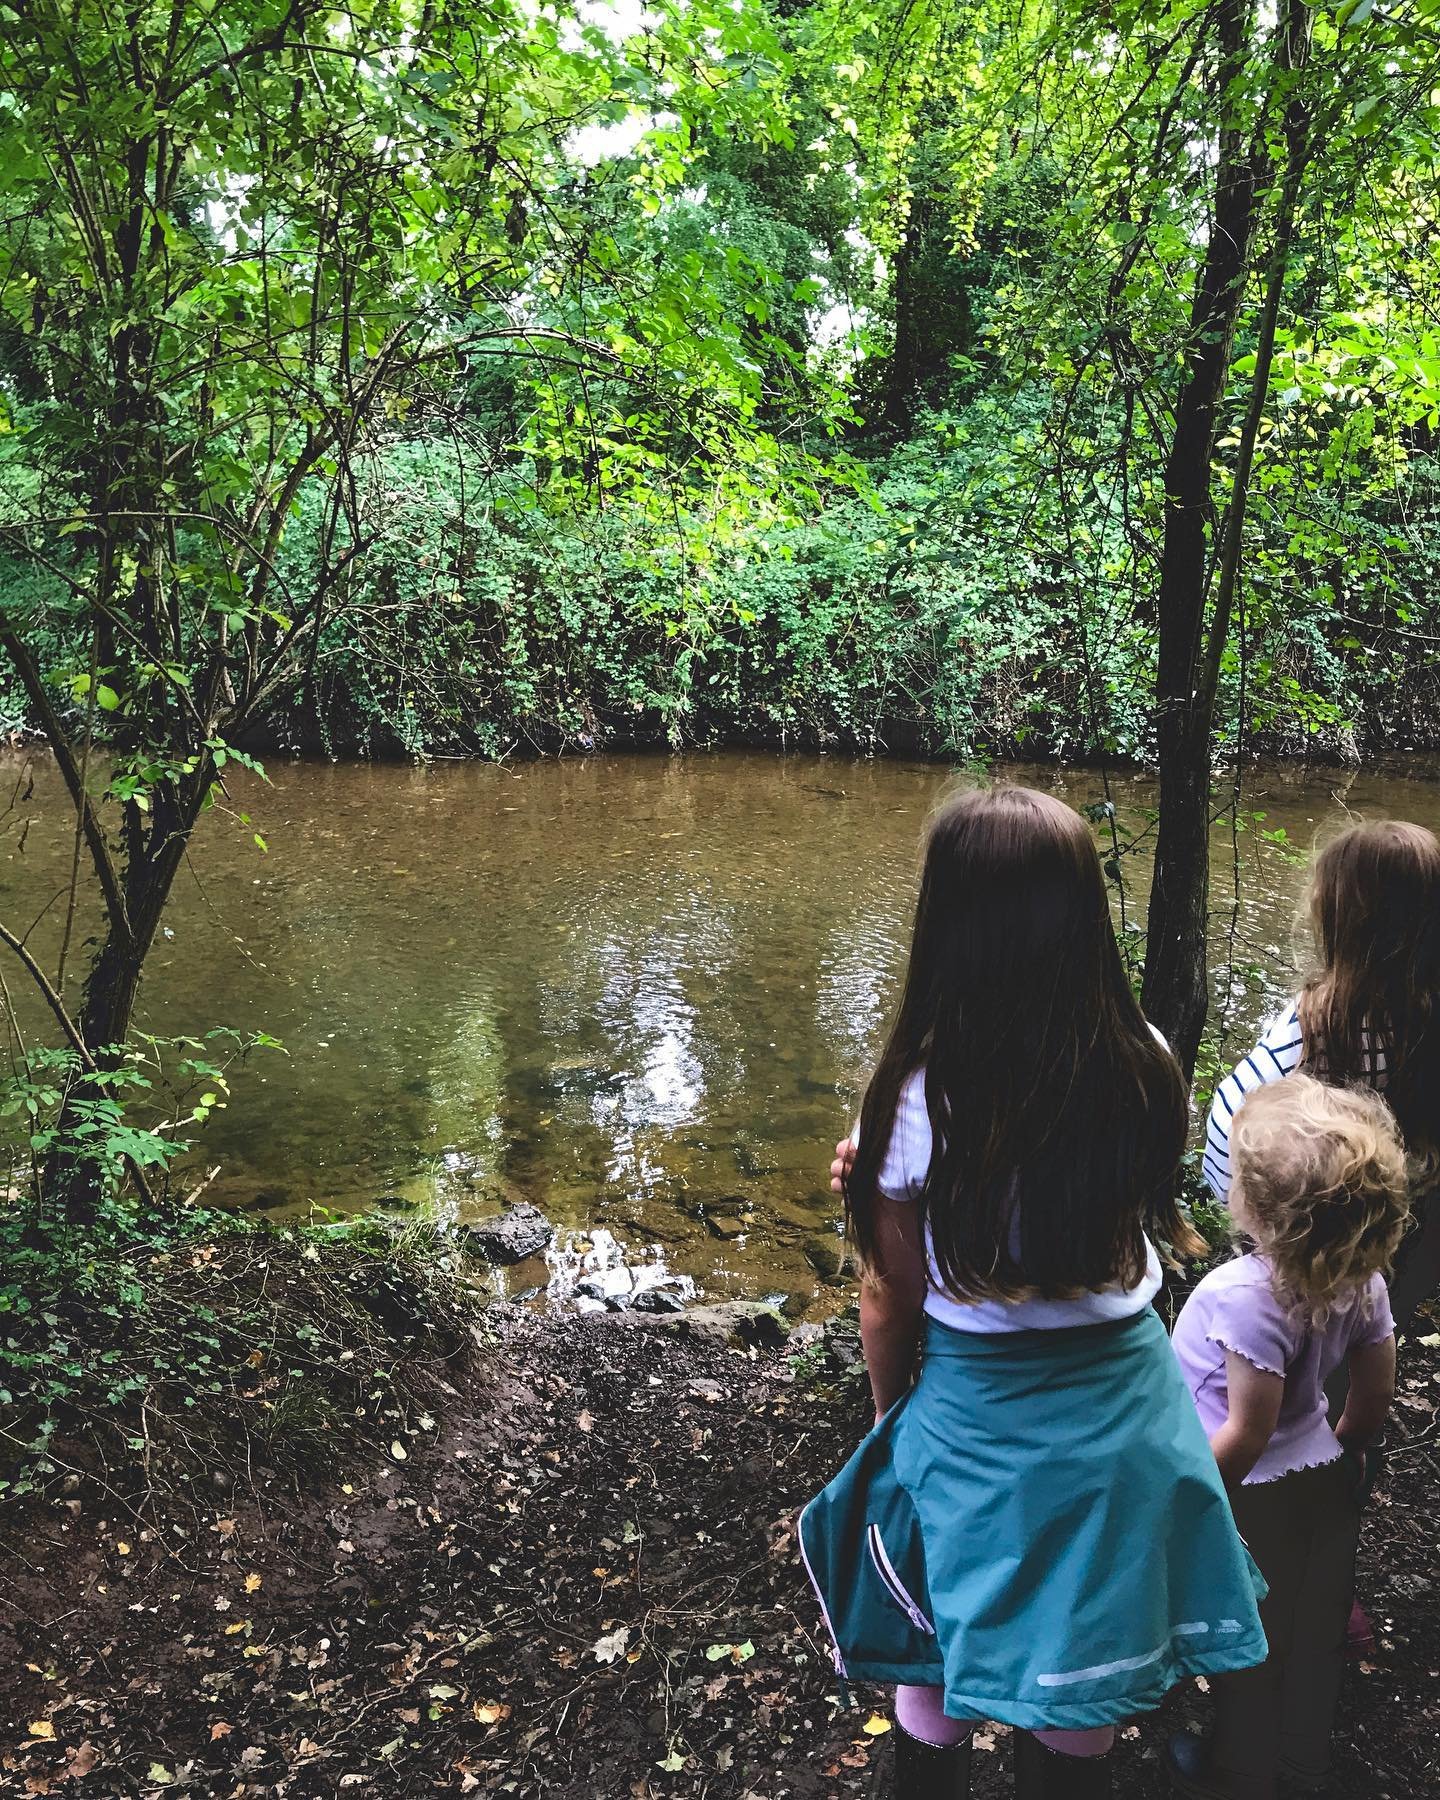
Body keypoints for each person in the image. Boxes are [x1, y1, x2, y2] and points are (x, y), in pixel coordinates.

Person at [799, 786, 1267, 1800]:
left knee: (937, 1680)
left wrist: (893, 1416)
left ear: (948, 923)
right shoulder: (1147, 1061)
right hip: (1126, 1411)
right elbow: (1112, 1200)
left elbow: (891, 1296)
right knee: (1081, 1690)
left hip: (982, 1412)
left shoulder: (919, 1092)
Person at [1167, 1075, 1406, 1800]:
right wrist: (1351, 1445)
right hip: (1324, 1475)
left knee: (1253, 1648)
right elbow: (1375, 1383)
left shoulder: (1242, 1295)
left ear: (1258, 1208)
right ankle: (1306, 1763)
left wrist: (1187, 1504)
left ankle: (1239, 1777)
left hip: (1253, 1494)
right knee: (1311, 1633)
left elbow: (1247, 1429)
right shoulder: (1361, 1277)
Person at [1202, 818, 1440, 1335]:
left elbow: (1239, 1138)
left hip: (1285, 1235)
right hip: (1378, 1237)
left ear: (1341, 921)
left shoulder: (1317, 1029)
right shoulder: (1418, 1022)